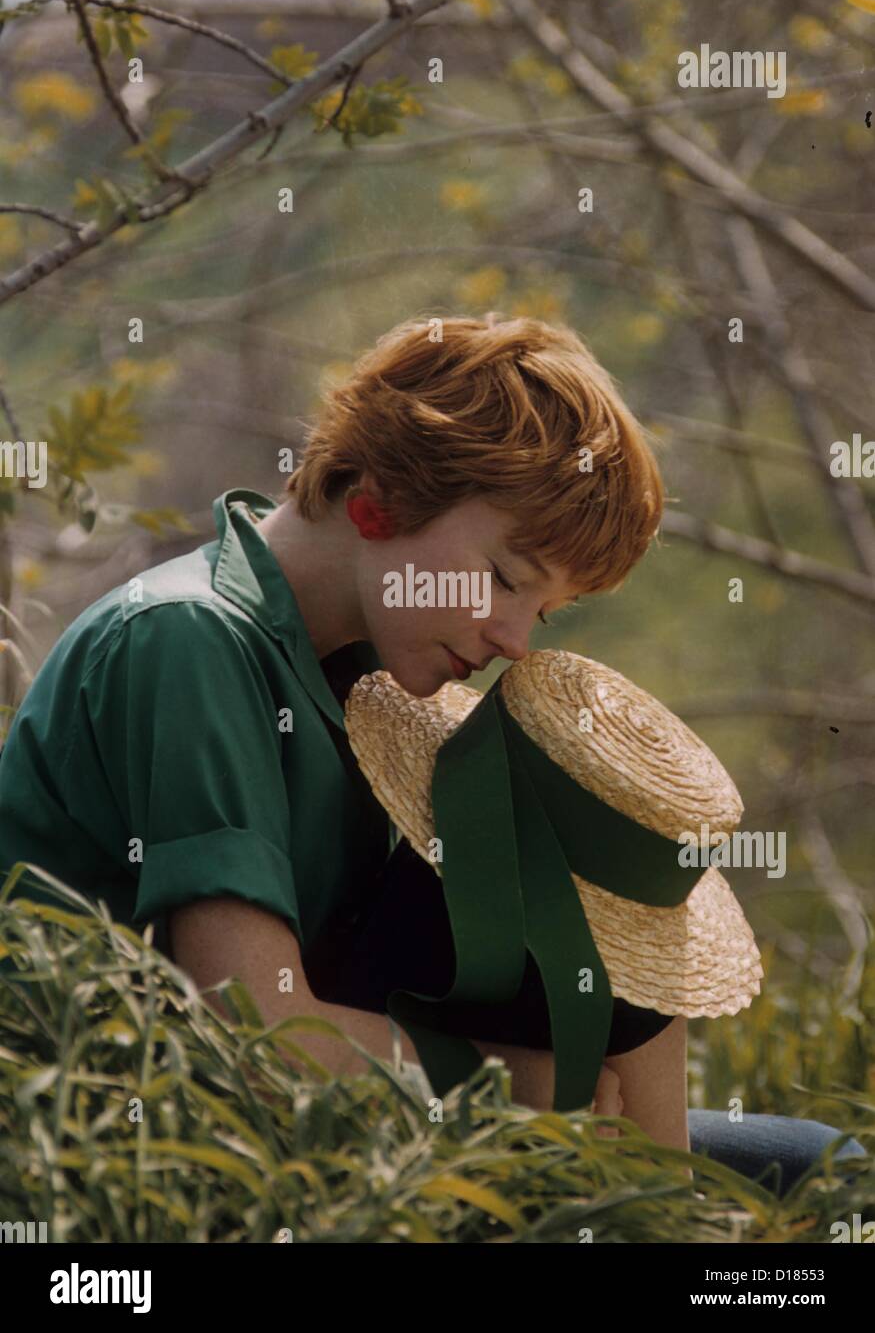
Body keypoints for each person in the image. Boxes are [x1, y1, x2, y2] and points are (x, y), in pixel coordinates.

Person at [0, 314, 865, 1201]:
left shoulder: (383, 673)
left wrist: (647, 1181)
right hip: (161, 1135)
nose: (514, 640)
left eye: (546, 612)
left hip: (370, 1102)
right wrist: (528, 1090)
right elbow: (252, 1034)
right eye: (504, 576)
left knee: (830, 1169)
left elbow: (605, 921)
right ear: (382, 499)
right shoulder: (188, 641)